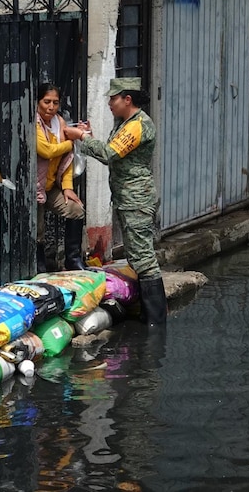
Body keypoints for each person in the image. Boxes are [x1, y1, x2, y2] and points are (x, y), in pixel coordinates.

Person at [74, 77, 167, 325]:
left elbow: (108, 153)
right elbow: (112, 147)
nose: (109, 103)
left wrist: (81, 137)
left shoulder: (138, 125)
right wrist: (89, 136)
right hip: (128, 198)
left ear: (128, 99)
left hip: (136, 199)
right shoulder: (126, 122)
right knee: (137, 256)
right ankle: (148, 316)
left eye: (112, 98)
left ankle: (155, 322)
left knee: (144, 258)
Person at [35, 83, 88, 273]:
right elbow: (46, 151)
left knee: (75, 209)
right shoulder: (34, 123)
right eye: (46, 102)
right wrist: (70, 142)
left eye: (55, 103)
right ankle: (39, 268)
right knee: (38, 230)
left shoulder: (58, 122)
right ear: (38, 102)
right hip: (35, 187)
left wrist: (67, 187)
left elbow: (67, 159)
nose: (51, 107)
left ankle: (73, 260)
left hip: (51, 186)